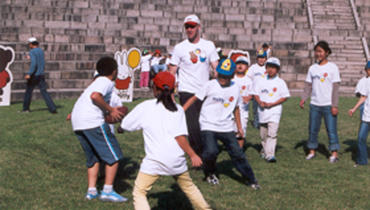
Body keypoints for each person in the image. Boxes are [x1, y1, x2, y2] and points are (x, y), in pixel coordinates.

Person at [118, 71, 211, 210]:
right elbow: (180, 137)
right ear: (174, 88)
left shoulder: (146, 106)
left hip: (155, 161)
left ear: (154, 87)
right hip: (176, 160)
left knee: (139, 192)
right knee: (189, 187)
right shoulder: (178, 109)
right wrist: (192, 154)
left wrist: (120, 126)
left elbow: (125, 125)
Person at [183, 59, 261, 189]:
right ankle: (210, 173)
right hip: (208, 124)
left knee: (237, 153)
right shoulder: (210, 85)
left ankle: (251, 179)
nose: (222, 78)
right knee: (211, 151)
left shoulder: (235, 87)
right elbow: (194, 98)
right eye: (220, 74)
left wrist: (239, 127)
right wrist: (181, 111)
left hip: (226, 126)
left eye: (226, 76)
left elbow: (236, 108)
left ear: (232, 75)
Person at [70, 57, 127, 202]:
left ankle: (91, 191)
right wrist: (111, 110)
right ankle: (108, 191)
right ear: (114, 72)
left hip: (78, 122)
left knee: (93, 157)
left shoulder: (95, 82)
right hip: (92, 121)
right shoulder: (106, 82)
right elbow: (95, 97)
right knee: (114, 156)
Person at [169, 14, 219, 158]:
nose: (190, 29)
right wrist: (172, 95)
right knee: (193, 125)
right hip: (186, 91)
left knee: (206, 123)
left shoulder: (208, 46)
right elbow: (172, 72)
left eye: (192, 26)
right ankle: (197, 155)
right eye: (187, 27)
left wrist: (220, 84)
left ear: (199, 27)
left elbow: (216, 68)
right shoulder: (180, 48)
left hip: (204, 91)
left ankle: (205, 150)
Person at [300, 41, 341, 163]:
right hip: (315, 105)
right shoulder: (312, 68)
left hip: (328, 105)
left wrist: (334, 105)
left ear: (327, 52)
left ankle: (334, 153)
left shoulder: (333, 68)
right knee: (313, 129)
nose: (318, 54)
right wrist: (303, 98)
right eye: (316, 51)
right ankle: (311, 151)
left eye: (321, 51)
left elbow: (335, 89)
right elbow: (308, 86)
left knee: (331, 130)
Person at [253, 57, 290, 162]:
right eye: (269, 67)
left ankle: (270, 154)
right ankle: (264, 151)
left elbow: (285, 96)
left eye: (273, 67)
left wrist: (273, 104)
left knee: (272, 133)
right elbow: (255, 94)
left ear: (277, 69)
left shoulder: (280, 82)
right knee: (263, 135)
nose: (271, 69)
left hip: (275, 111)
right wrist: (260, 102)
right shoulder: (261, 81)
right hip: (262, 112)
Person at [19, 37, 57, 114]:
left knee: (28, 92)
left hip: (34, 75)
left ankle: (26, 108)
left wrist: (29, 74)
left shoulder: (32, 51)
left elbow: (34, 64)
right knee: (44, 92)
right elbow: (39, 61)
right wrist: (29, 58)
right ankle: (52, 108)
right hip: (41, 74)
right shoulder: (40, 51)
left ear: (31, 44)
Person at [348, 63, 370, 167]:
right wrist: (354, 108)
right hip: (367, 116)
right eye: (368, 69)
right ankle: (362, 161)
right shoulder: (366, 82)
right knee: (361, 138)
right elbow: (363, 97)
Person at [232, 56, 253, 148]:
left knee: (241, 130)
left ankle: (239, 150)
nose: (240, 66)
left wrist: (249, 97)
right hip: (231, 109)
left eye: (243, 64)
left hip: (243, 111)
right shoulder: (232, 78)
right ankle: (232, 149)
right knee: (232, 130)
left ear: (247, 67)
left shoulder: (248, 80)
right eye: (238, 64)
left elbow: (252, 93)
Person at [246, 49, 268, 128]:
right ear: (257, 58)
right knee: (255, 108)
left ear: (266, 58)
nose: (261, 59)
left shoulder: (267, 67)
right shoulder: (253, 67)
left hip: (265, 92)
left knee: (263, 108)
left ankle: (264, 122)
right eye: (260, 57)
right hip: (255, 92)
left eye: (263, 58)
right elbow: (248, 77)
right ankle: (256, 123)